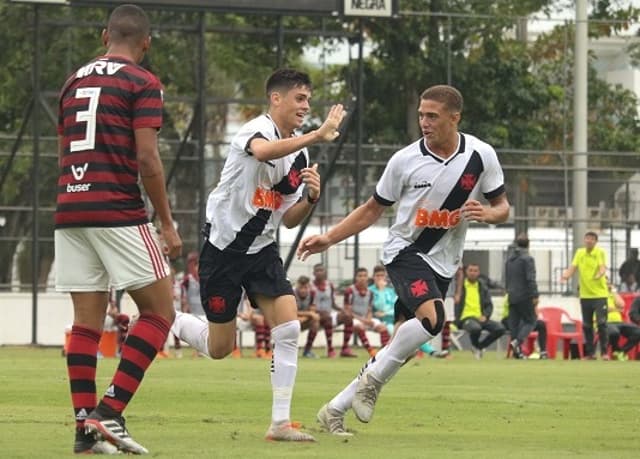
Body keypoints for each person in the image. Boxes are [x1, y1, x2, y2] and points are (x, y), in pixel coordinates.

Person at [298, 84, 509, 434]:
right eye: (421, 115)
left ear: (454, 118)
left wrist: (489, 213)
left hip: (444, 262)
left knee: (402, 348)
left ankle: (333, 409)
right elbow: (371, 210)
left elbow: (503, 205)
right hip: (405, 252)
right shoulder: (405, 160)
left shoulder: (480, 155)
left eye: (433, 116)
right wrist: (329, 238)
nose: (424, 122)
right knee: (434, 319)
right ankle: (372, 384)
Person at [170, 68, 345, 442]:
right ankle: (168, 318)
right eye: (300, 98)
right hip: (223, 251)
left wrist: (311, 198)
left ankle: (279, 422)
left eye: (309, 100)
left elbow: (288, 217)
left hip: (262, 250)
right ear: (275, 99)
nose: (306, 106)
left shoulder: (301, 154)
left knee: (289, 327)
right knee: (220, 348)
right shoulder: (254, 130)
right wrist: (316, 134)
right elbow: (263, 152)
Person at [55, 4, 182, 454]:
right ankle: (110, 412)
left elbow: (64, 148)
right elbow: (147, 158)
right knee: (159, 313)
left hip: (70, 208)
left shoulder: (73, 81)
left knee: (85, 325)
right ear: (145, 43)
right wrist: (166, 223)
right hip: (117, 209)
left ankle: (84, 430)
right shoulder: (142, 82)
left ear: (105, 34)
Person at [561, 232, 609, 360]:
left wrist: (600, 273)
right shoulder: (580, 252)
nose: (589, 241)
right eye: (587, 238)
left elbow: (602, 267)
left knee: (601, 323)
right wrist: (566, 275)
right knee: (587, 325)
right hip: (585, 295)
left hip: (600, 295)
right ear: (584, 239)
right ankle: (590, 354)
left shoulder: (599, 252)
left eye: (592, 239)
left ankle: (604, 352)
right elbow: (573, 267)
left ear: (595, 241)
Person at [455, 263, 506, 359]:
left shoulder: (482, 287)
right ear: (466, 272)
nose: (473, 273)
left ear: (478, 272)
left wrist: (485, 316)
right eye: (470, 270)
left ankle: (479, 347)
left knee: (500, 328)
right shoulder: (460, 287)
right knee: (475, 328)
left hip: (480, 317)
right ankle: (477, 347)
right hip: (466, 318)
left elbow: (489, 305)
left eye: (475, 271)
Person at [504, 233, 539, 359]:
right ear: (528, 244)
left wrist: (508, 291)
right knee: (531, 320)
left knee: (514, 323)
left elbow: (507, 279)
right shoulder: (528, 259)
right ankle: (517, 342)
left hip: (512, 295)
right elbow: (530, 278)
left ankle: (517, 353)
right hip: (524, 295)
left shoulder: (509, 260)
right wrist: (535, 294)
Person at [311, 263, 357, 358]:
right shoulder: (310, 286)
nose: (319, 272)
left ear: (325, 272)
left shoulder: (329, 285)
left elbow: (333, 303)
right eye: (317, 270)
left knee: (348, 317)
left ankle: (345, 348)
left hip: (329, 314)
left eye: (321, 270)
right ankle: (330, 349)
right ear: (313, 273)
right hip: (315, 316)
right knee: (327, 317)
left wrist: (342, 310)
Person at [344, 267, 390, 357]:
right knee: (359, 326)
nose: (362, 278)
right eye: (360, 276)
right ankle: (371, 351)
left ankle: (386, 352)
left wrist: (368, 318)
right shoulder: (350, 291)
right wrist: (363, 320)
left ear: (367, 277)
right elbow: (348, 311)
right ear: (355, 278)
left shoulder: (370, 292)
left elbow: (369, 309)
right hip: (352, 318)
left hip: (364, 318)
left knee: (382, 327)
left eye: (364, 276)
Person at [501, 295, 548, 359]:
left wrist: (534, 306)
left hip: (525, 320)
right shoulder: (511, 294)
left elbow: (534, 314)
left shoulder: (527, 295)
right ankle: (518, 352)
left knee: (541, 324)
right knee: (519, 324)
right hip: (508, 319)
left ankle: (543, 352)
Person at [605, 282, 640, 360]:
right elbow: (602, 309)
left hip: (619, 322)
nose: (607, 284)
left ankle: (622, 352)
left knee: (638, 332)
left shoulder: (612, 295)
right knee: (614, 332)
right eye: (605, 283)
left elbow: (622, 305)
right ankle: (616, 350)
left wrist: (613, 291)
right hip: (604, 322)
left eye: (608, 283)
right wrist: (616, 309)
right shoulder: (596, 296)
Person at [293, 275, 321, 358]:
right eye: (301, 288)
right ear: (297, 286)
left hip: (302, 320)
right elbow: (290, 311)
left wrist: (303, 318)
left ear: (309, 287)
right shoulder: (291, 293)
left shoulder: (313, 293)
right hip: (290, 320)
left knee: (315, 321)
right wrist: (308, 315)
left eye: (305, 288)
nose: (303, 290)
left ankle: (307, 351)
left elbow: (313, 311)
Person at [369, 265, 396, 333]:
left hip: (393, 318)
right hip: (381, 321)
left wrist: (386, 313)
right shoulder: (370, 291)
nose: (380, 278)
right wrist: (381, 290)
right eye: (378, 275)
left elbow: (396, 308)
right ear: (373, 277)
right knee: (393, 331)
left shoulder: (390, 291)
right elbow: (380, 308)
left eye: (382, 275)